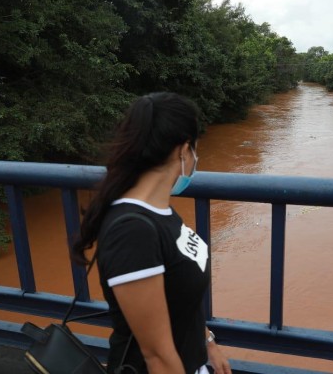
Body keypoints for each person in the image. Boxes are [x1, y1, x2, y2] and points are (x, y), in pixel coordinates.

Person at [73, 92, 231, 374]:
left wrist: (207, 342)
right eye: (195, 149)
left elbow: (178, 297)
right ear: (183, 151)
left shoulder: (162, 212)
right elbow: (156, 356)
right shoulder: (133, 232)